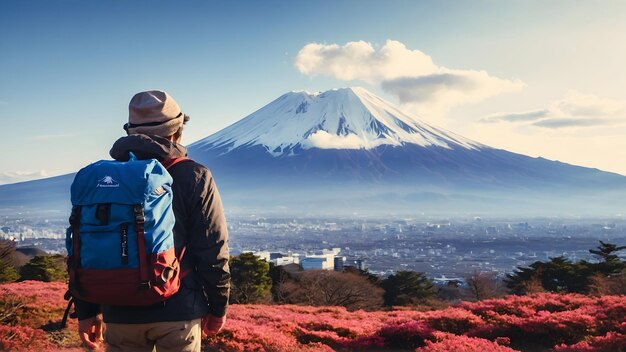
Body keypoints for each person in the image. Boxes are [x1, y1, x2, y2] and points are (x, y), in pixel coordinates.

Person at [74, 90, 231, 351]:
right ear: (177, 131)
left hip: (119, 311)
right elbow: (213, 249)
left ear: (130, 132)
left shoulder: (101, 179)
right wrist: (218, 307)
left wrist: (86, 311)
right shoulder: (194, 175)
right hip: (179, 310)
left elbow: (84, 247)